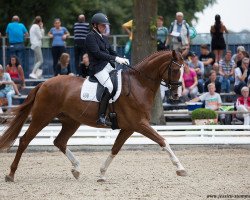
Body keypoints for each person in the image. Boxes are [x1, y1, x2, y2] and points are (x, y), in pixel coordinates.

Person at [85, 13, 129, 126]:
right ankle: (101, 116)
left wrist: (121, 58)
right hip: (98, 68)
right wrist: (115, 58)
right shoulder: (90, 36)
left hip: (107, 66)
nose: (105, 27)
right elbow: (97, 53)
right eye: (102, 25)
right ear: (94, 25)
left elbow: (111, 51)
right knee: (109, 86)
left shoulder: (103, 37)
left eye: (105, 25)